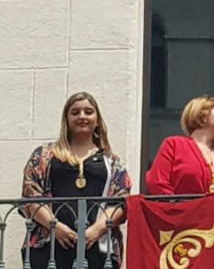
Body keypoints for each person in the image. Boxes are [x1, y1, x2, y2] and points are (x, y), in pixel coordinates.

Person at [21, 92, 132, 269]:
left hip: (98, 247)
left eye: (88, 112)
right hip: (48, 245)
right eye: (75, 112)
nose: (82, 116)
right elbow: (31, 194)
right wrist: (54, 226)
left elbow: (120, 201)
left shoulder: (112, 162)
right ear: (66, 119)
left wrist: (95, 230)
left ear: (97, 120)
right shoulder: (43, 155)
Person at [146, 96, 214, 194]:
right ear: (203, 115)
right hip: (178, 209)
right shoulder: (174, 146)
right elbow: (158, 183)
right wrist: (178, 207)